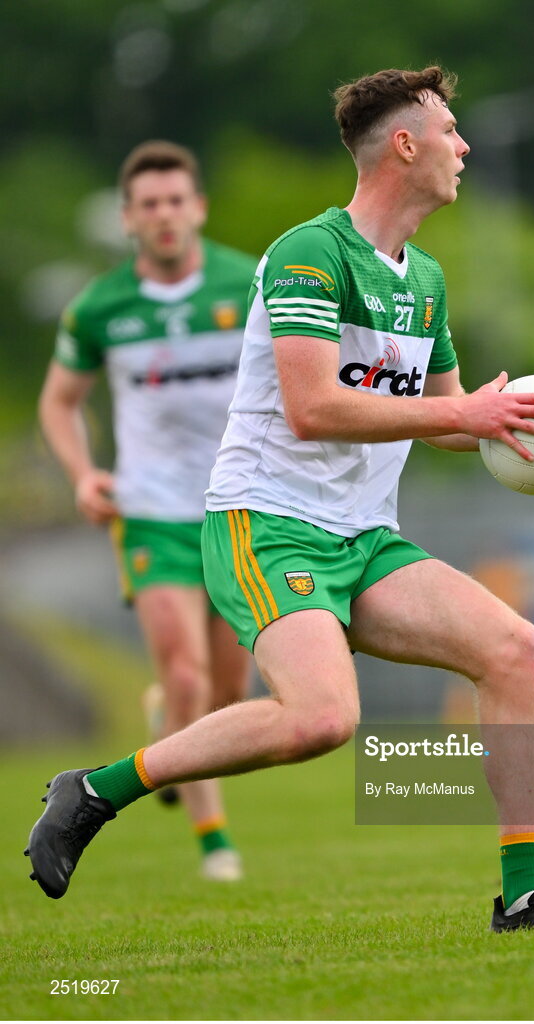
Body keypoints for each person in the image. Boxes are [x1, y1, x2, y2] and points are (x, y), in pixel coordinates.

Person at [27, 70, 534, 930]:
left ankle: (525, 897)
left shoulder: (427, 279)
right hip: (269, 526)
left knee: (513, 648)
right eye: (450, 129)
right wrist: (460, 408)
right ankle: (96, 790)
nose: (464, 147)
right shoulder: (306, 253)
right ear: (404, 145)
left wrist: (501, 424)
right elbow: (313, 406)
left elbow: (441, 419)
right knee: (322, 718)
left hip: (364, 538)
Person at [35, 140, 255, 882]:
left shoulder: (249, 282)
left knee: (232, 691)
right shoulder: (101, 306)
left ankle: (169, 723)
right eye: (147, 204)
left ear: (197, 208)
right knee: (190, 676)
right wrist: (82, 474)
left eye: (174, 200)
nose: (163, 215)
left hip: (240, 507)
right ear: (128, 219)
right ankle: (215, 844)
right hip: (152, 512)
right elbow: (59, 403)